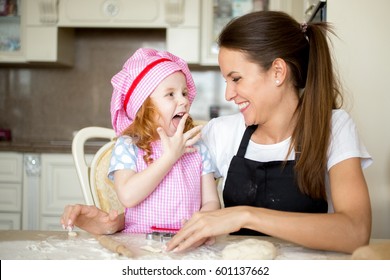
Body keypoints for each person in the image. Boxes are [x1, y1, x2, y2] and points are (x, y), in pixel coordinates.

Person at [165, 11, 372, 254]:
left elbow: (356, 232)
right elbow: (163, 186)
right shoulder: (221, 132)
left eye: (236, 79)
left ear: (277, 72)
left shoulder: (333, 127)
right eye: (226, 81)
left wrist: (245, 216)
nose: (228, 94)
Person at [61, 48, 220, 236]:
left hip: (187, 243)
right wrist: (169, 157)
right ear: (144, 107)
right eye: (170, 94)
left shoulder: (197, 146)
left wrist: (199, 226)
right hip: (138, 244)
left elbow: (212, 202)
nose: (184, 101)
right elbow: (128, 196)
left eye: (184, 93)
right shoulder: (128, 146)